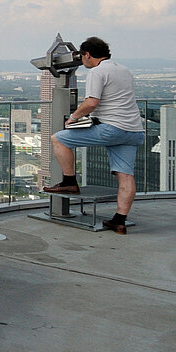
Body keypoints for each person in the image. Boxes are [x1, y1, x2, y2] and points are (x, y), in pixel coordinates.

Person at [44, 36, 145, 234]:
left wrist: (73, 118)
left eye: (82, 57)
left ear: (87, 55)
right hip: (134, 130)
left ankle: (69, 182)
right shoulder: (124, 71)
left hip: (111, 129)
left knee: (59, 138)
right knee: (125, 176)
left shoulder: (97, 72)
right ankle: (119, 221)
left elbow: (91, 102)